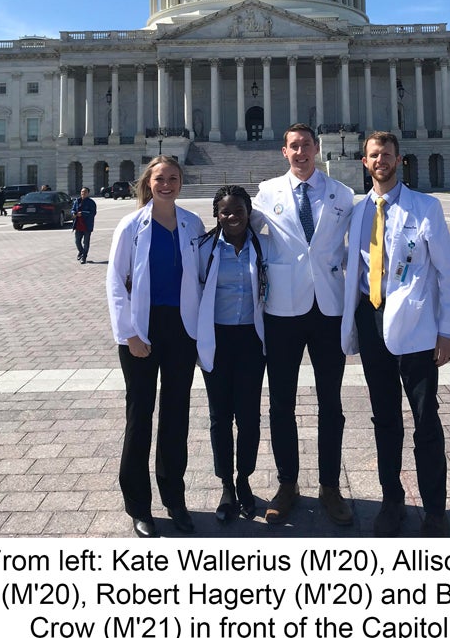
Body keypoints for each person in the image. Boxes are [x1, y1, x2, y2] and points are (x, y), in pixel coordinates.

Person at [341, 132, 450, 538]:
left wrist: (447, 331)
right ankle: (391, 499)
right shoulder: (358, 212)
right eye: (374, 156)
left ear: (398, 160)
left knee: (426, 419)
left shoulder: (426, 207)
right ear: (365, 162)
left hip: (416, 328)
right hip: (371, 321)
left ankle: (434, 509)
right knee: (385, 419)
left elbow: (449, 274)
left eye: (387, 155)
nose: (381, 161)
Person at [251, 123, 354, 526]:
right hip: (283, 310)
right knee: (281, 404)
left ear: (316, 147)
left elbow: (360, 244)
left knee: (332, 404)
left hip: (328, 309)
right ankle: (287, 483)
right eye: (293, 146)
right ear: (284, 151)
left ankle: (330, 486)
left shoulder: (342, 194)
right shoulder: (267, 192)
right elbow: (241, 230)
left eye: (306, 145)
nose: (300, 152)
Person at [106, 156, 204, 538]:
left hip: (180, 329)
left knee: (177, 415)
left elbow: (201, 277)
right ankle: (138, 506)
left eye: (173, 178)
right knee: (140, 415)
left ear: (181, 182)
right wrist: (129, 333)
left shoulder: (192, 224)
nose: (167, 184)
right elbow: (115, 282)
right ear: (148, 183)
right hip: (142, 330)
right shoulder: (131, 225)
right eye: (160, 178)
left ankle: (174, 498)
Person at [197, 186, 268, 521]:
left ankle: (245, 479)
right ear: (217, 214)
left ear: (249, 212)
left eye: (239, 210)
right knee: (220, 416)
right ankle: (226, 482)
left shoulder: (262, 245)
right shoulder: (205, 248)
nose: (232, 217)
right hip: (217, 339)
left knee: (249, 416)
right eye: (225, 211)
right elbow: (190, 289)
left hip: (252, 340)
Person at [71, 187, 97, 263]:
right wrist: (73, 213)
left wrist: (82, 213)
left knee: (86, 242)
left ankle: (84, 257)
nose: (83, 193)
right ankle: (81, 251)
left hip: (87, 225)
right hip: (78, 224)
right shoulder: (77, 201)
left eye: (85, 192)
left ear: (88, 193)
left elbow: (93, 213)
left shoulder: (91, 202)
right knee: (77, 241)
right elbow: (73, 209)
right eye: (82, 192)